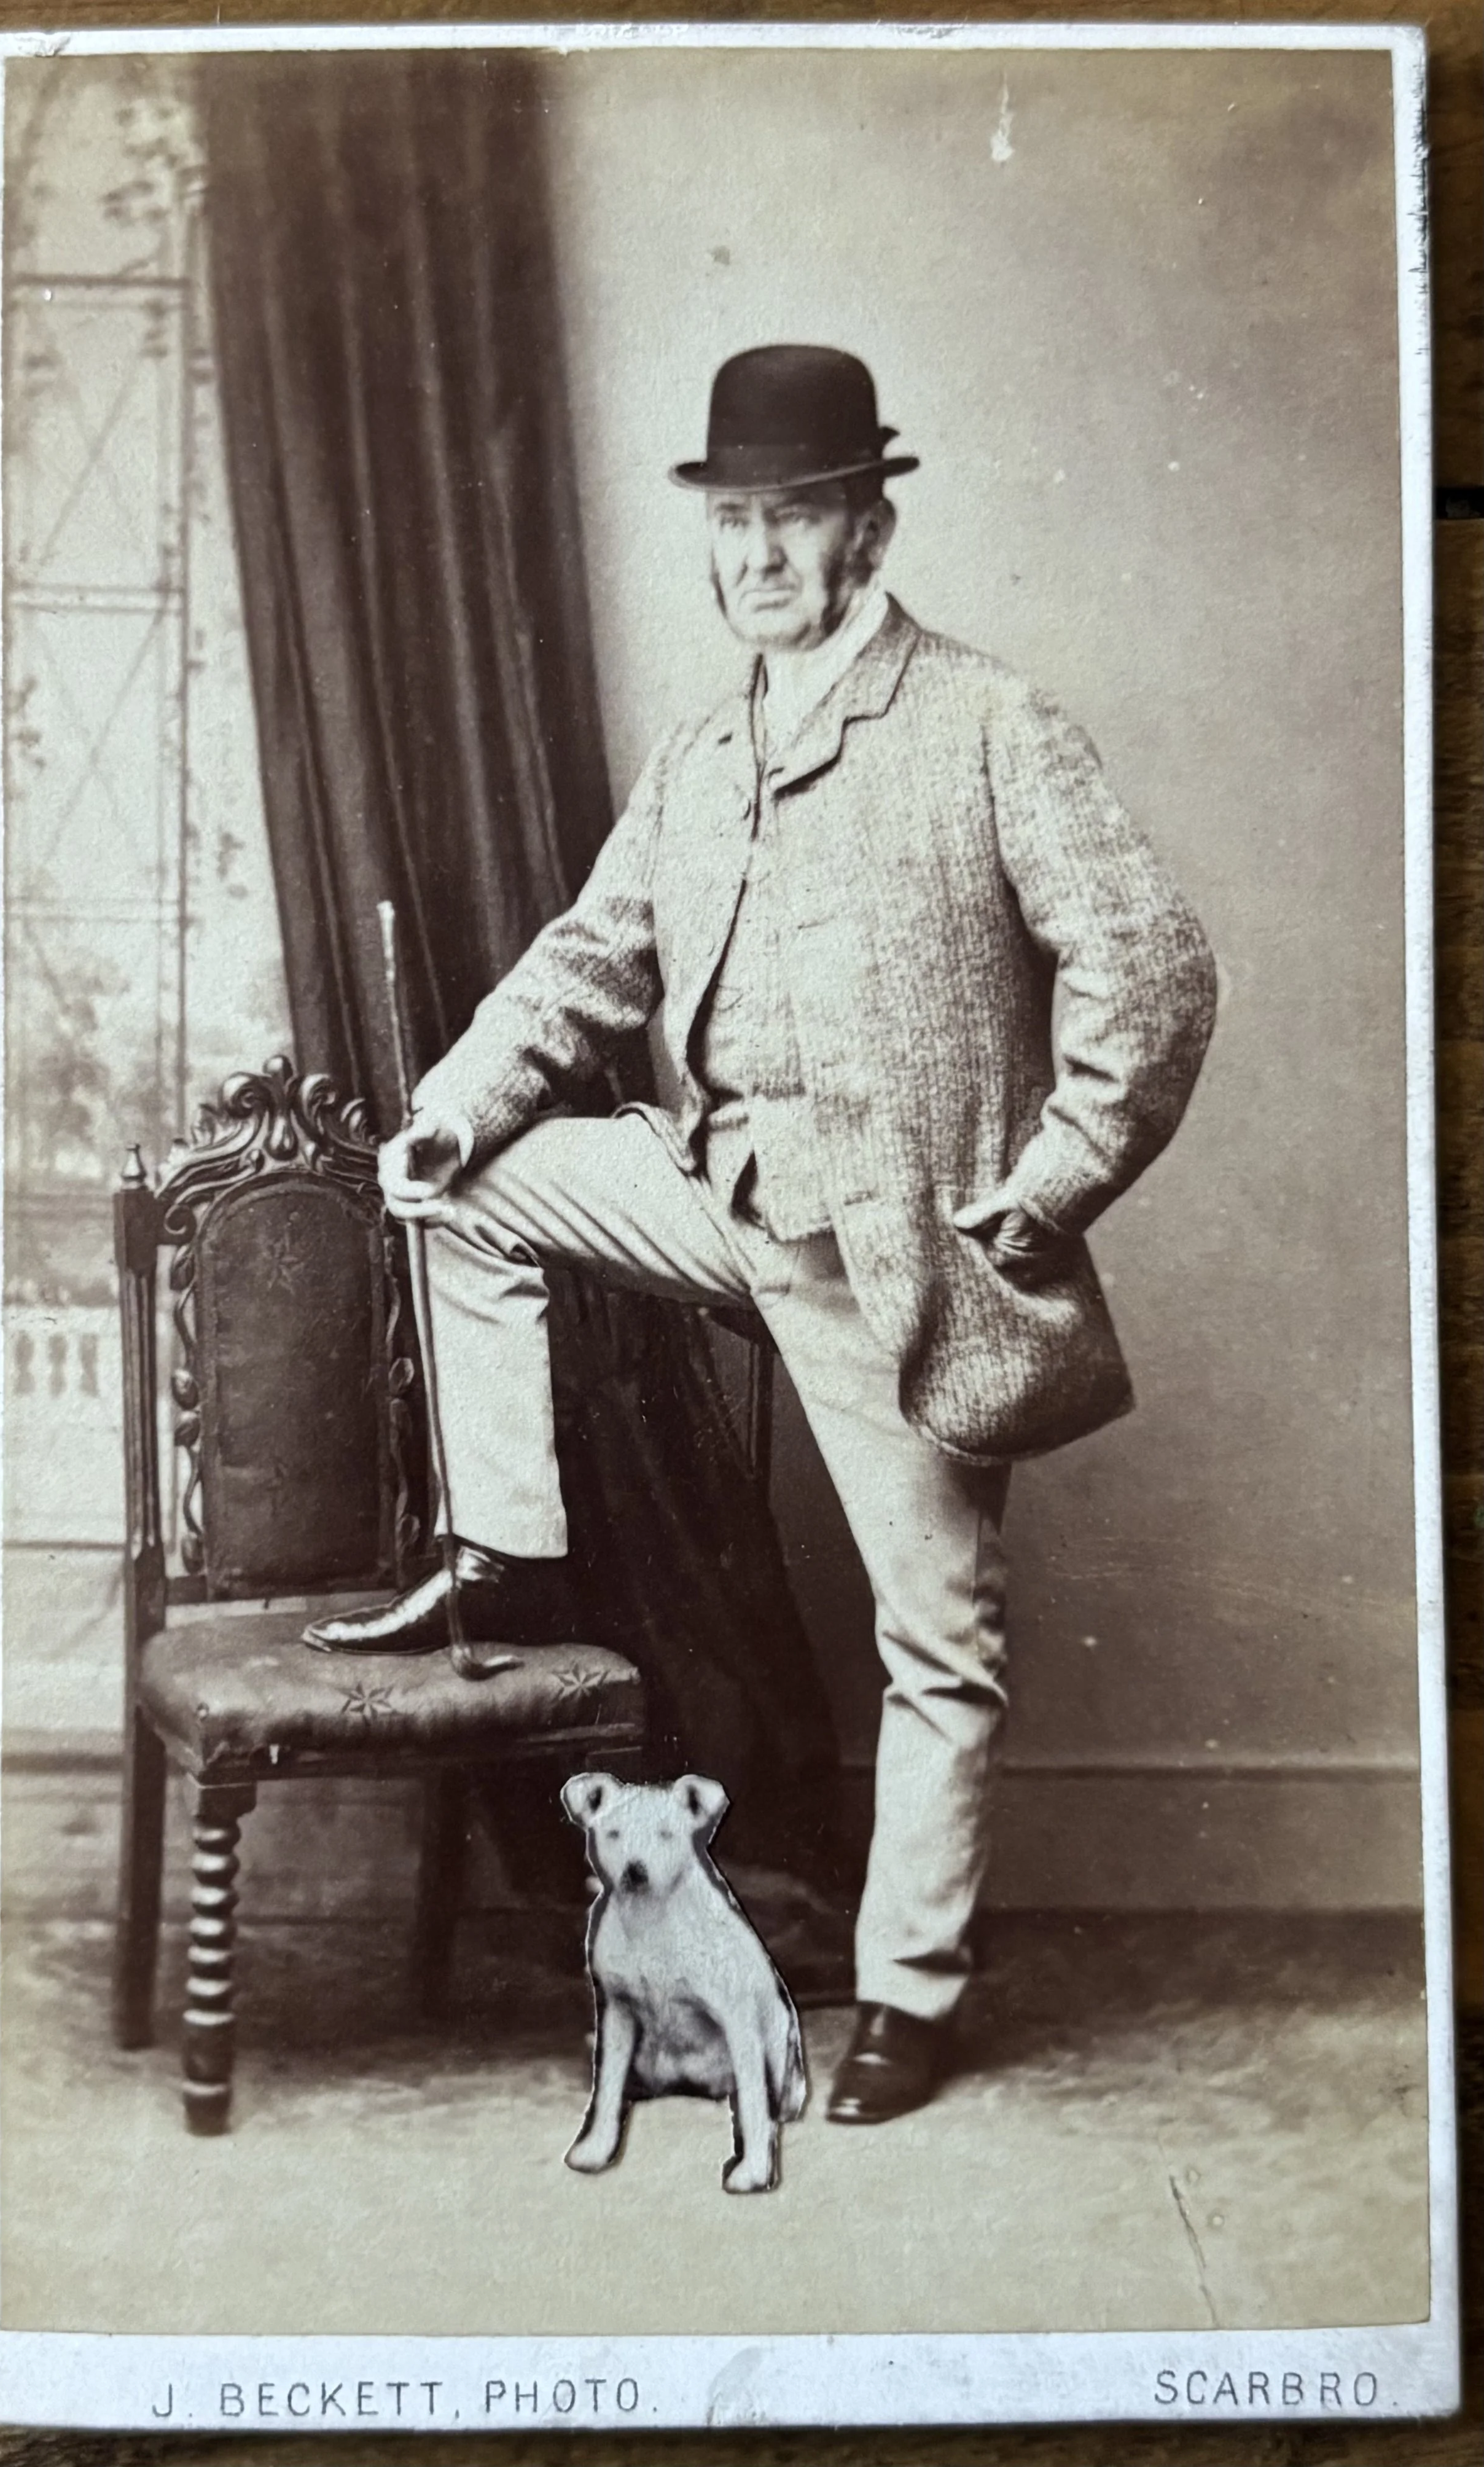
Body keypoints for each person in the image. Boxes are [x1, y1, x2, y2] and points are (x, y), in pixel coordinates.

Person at [307, 345, 1217, 2124]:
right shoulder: (705, 749)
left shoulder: (983, 722)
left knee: (938, 1638)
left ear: (866, 530)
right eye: (733, 523)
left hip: (894, 1258)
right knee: (469, 1182)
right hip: (720, 1194)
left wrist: (1050, 1182)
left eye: (793, 519)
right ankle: (500, 1536)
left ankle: (907, 1997)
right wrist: (456, 1099)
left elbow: (1152, 966)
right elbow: (591, 958)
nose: (758, 557)